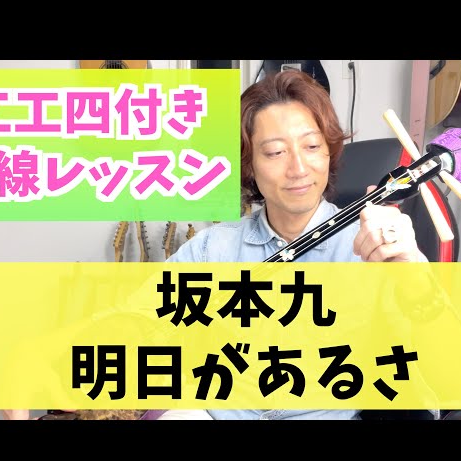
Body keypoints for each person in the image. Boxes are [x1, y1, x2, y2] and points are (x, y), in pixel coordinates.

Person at [161, 69, 433, 420]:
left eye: (312, 146)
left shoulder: (375, 249)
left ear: (329, 152)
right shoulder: (211, 250)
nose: (299, 168)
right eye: (275, 152)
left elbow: (447, 379)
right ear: (249, 165)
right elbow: (136, 320)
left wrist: (417, 284)